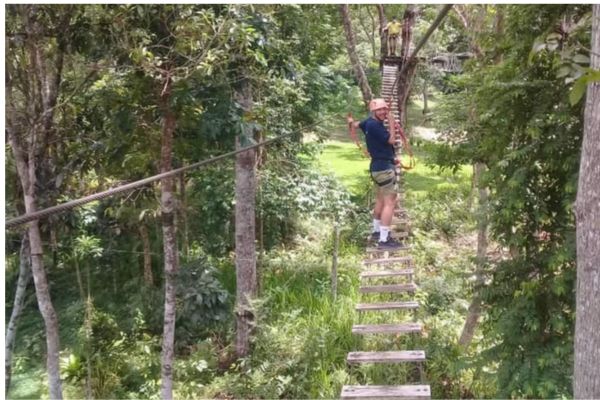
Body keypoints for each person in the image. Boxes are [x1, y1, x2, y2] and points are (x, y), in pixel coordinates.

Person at [347, 99, 402, 249]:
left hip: (377, 167)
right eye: (380, 110)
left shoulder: (367, 123)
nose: (383, 112)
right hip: (384, 168)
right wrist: (391, 122)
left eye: (385, 110)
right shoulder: (376, 126)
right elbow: (391, 140)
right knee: (390, 202)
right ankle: (384, 240)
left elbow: (356, 125)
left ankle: (377, 231)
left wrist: (351, 122)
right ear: (374, 112)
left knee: (380, 199)